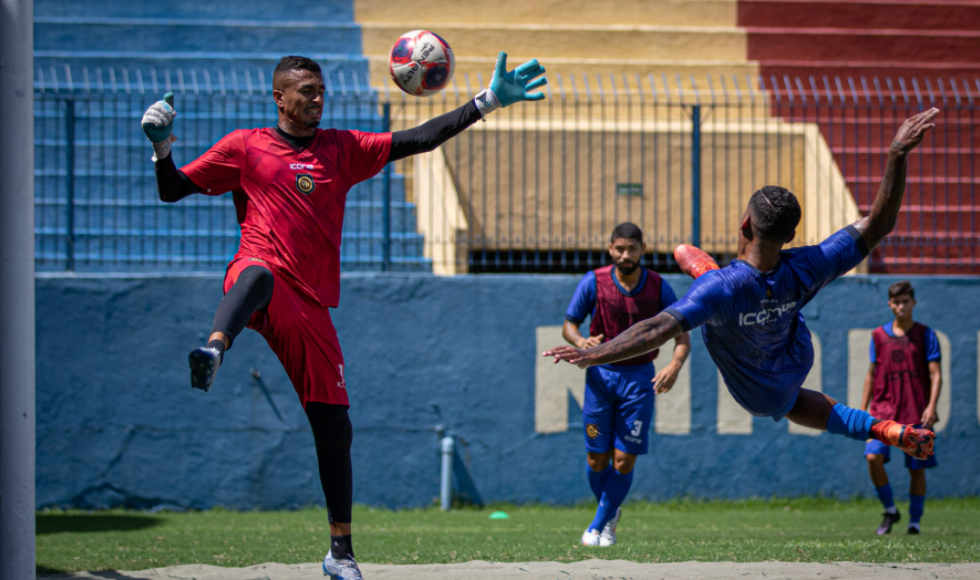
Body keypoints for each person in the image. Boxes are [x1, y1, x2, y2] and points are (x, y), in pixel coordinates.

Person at [141, 53, 547, 580]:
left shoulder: (341, 148)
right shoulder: (245, 146)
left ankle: (340, 553)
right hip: (258, 278)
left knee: (335, 427)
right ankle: (215, 347)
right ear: (279, 98)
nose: (316, 98)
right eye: (305, 90)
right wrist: (161, 146)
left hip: (311, 305)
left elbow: (418, 138)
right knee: (259, 273)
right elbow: (172, 189)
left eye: (321, 90)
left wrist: (487, 100)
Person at [544, 109, 940, 471]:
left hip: (756, 384)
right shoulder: (809, 261)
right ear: (790, 235)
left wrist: (594, 354)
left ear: (745, 221)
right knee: (784, 374)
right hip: (793, 352)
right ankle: (884, 429)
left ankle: (706, 276)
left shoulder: (722, 289)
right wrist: (897, 154)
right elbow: (878, 225)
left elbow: (654, 330)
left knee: (714, 300)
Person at [563, 223, 691, 547]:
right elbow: (569, 325)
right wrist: (581, 341)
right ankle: (610, 514)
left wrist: (674, 365)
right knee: (597, 459)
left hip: (638, 380)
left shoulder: (659, 288)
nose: (625, 255)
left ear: (642, 250)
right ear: (610, 250)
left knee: (623, 460)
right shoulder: (594, 282)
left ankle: (597, 526)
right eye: (619, 249)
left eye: (631, 249)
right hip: (600, 377)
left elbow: (683, 338)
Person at [861, 280, 941, 535]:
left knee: (916, 469)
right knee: (873, 458)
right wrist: (863, 411)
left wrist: (931, 406)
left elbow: (936, 374)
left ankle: (915, 521)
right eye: (896, 302)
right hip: (882, 413)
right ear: (890, 305)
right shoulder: (878, 336)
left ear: (913, 303)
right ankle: (890, 510)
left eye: (906, 301)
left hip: (915, 412)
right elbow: (871, 375)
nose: (901, 306)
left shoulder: (926, 335)